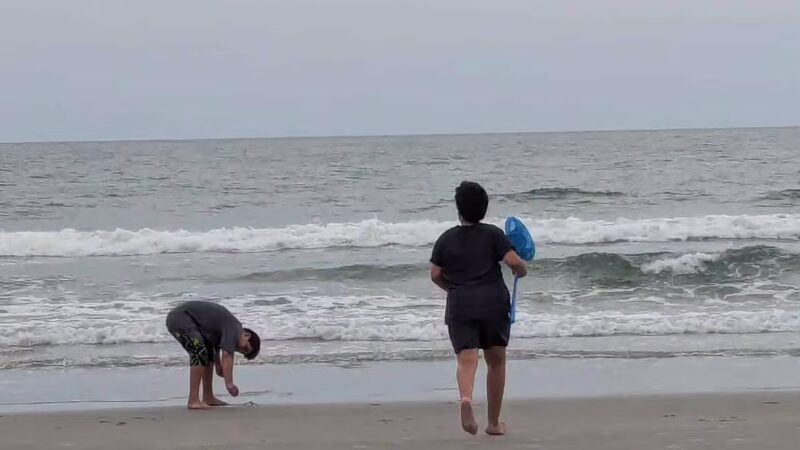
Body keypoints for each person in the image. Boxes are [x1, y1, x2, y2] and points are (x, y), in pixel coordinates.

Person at [430, 181, 528, 436]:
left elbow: (435, 274)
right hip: (493, 302)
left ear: (458, 210)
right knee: (496, 362)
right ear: (484, 209)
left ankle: (465, 399)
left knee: (467, 358)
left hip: (460, 303)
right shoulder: (493, 234)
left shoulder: (446, 239)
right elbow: (515, 263)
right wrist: (521, 269)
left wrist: (451, 289)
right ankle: (494, 423)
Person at [165, 300, 261, 410]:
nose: (237, 349)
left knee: (208, 353)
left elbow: (213, 348)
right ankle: (193, 400)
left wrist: (218, 366)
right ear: (246, 335)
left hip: (188, 321)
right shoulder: (235, 328)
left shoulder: (225, 331)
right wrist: (229, 384)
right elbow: (227, 355)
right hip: (180, 318)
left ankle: (208, 396)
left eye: (241, 352)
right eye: (244, 347)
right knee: (199, 351)